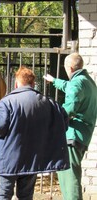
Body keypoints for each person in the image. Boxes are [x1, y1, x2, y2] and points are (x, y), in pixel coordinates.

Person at [0, 66, 70, 200]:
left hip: (7, 160)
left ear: (16, 84)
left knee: (3, 195)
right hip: (31, 159)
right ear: (33, 84)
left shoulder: (7, 102)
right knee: (26, 196)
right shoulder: (49, 103)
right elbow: (63, 123)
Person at [43, 52, 97, 200]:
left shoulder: (77, 83)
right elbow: (71, 87)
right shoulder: (87, 81)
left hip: (72, 136)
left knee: (69, 177)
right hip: (82, 135)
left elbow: (71, 107)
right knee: (70, 174)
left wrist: (53, 119)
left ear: (70, 68)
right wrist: (54, 81)